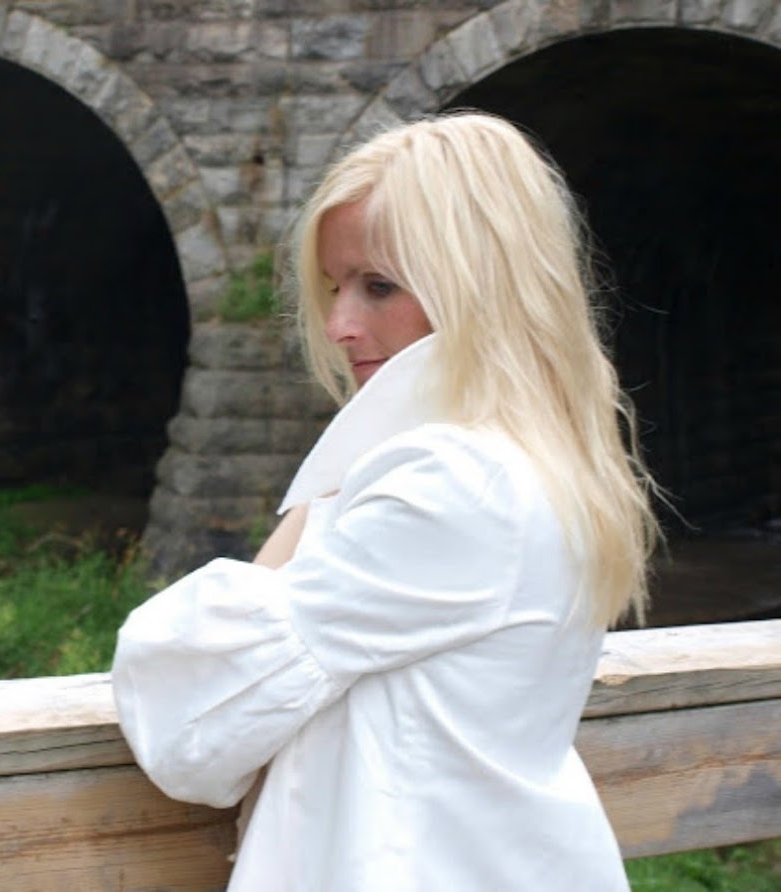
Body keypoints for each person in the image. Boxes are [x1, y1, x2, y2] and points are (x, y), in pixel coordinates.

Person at [111, 112, 661, 891]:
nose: (338, 325)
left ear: (478, 286)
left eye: (379, 287)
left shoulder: (450, 484)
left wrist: (345, 456)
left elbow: (192, 707)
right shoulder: (539, 463)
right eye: (335, 287)